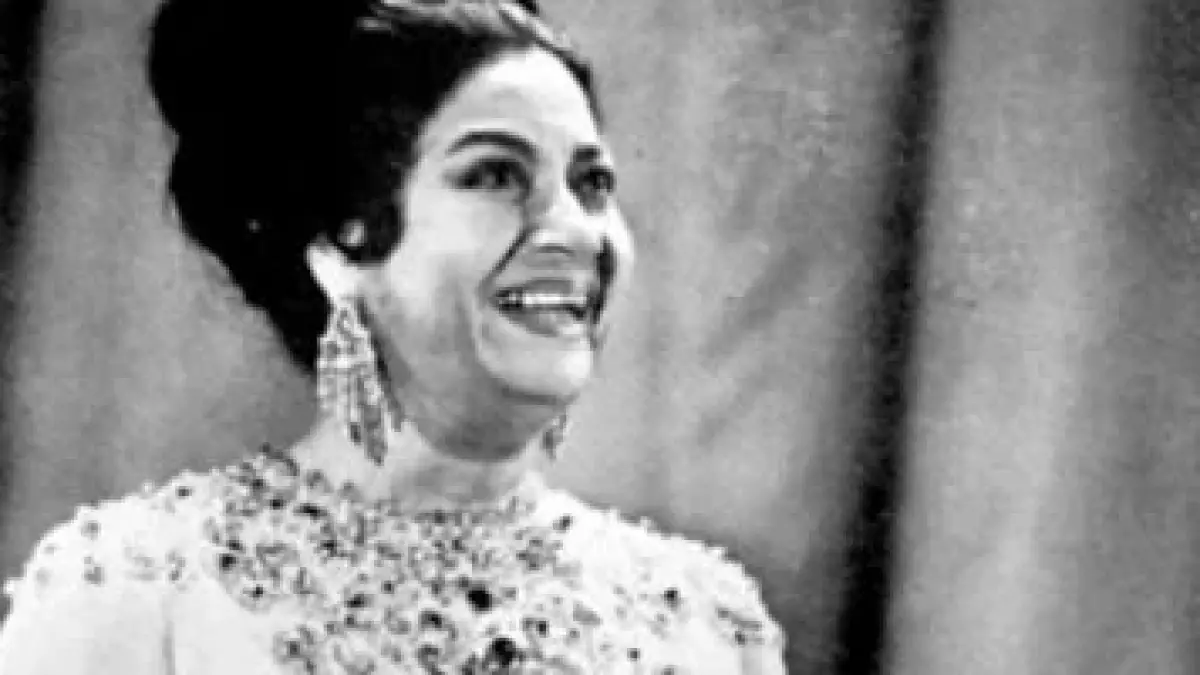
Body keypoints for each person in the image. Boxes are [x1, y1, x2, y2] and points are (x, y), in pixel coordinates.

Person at [0, 0, 786, 672]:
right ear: (340, 246)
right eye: (495, 175)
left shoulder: (707, 625)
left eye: (593, 183)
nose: (578, 232)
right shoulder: (136, 596)